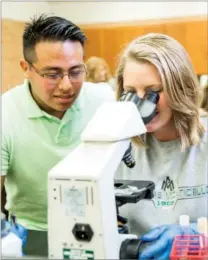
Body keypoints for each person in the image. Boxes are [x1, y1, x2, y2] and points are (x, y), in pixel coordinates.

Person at [1, 14, 114, 256]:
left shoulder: (104, 100)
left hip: (99, 230)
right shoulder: (5, 114)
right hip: (30, 233)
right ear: (26, 69)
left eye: (76, 71)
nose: (66, 85)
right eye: (52, 74)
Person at [115, 33, 208, 259]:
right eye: (131, 92)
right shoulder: (116, 148)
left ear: (180, 87)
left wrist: (198, 236)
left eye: (153, 92)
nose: (141, 103)